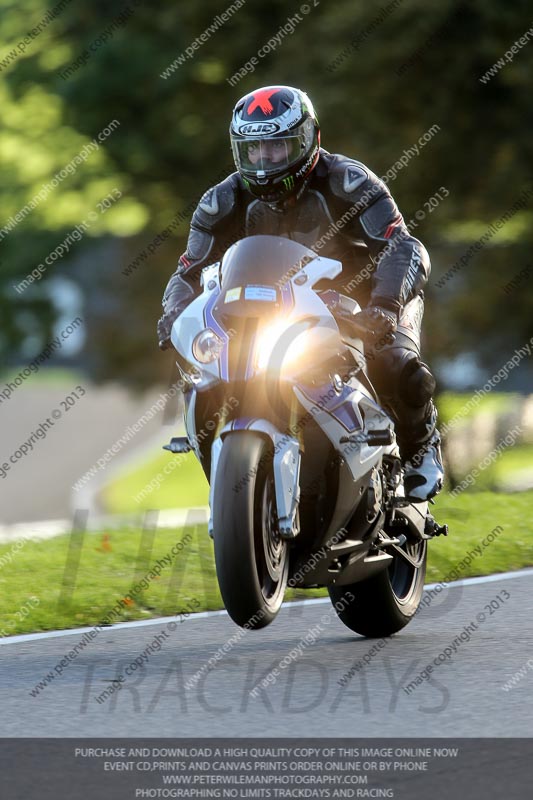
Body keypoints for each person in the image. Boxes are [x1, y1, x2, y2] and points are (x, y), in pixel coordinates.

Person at [157, 85, 444, 502]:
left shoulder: (349, 182)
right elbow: (188, 272)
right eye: (252, 150)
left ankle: (422, 447)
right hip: (273, 310)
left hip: (366, 301)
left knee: (395, 362)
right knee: (210, 372)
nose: (263, 162)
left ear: (309, 140)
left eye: (276, 148)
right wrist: (175, 312)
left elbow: (402, 246)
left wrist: (384, 305)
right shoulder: (221, 202)